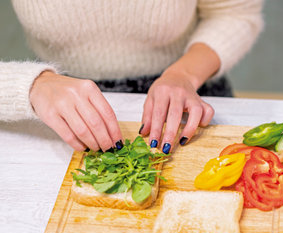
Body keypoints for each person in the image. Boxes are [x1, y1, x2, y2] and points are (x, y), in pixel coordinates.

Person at [0, 0, 263, 154]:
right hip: (56, 98)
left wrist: (184, 73)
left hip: (186, 86)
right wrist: (32, 85)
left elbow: (234, 12)